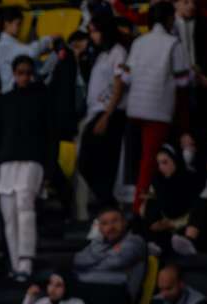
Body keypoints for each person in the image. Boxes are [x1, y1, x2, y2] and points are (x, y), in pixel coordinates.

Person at [117, 2, 190, 212]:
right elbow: (183, 83)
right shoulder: (173, 43)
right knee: (149, 163)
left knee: (136, 162)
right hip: (158, 111)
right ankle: (139, 210)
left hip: (134, 110)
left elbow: (126, 77)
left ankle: (136, 207)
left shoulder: (139, 42)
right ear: (169, 19)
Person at [0, 54, 54, 280]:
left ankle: (26, 262)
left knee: (25, 207)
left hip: (33, 160)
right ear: (14, 74)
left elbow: (50, 136)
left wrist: (49, 169)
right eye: (20, 73)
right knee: (9, 213)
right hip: (6, 163)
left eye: (28, 73)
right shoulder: (4, 101)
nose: (24, 77)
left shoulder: (42, 99)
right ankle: (15, 264)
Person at [79, 14, 128, 208]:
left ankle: (108, 204)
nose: (93, 36)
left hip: (110, 113)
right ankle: (107, 204)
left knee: (97, 163)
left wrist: (107, 115)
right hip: (96, 112)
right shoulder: (102, 55)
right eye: (91, 32)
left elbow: (119, 85)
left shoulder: (118, 52)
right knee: (89, 163)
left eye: (95, 31)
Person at [73, 206, 147, 304]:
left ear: (124, 222)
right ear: (99, 228)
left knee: (101, 294)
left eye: (115, 221)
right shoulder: (99, 243)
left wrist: (91, 265)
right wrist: (106, 251)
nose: (110, 227)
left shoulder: (135, 241)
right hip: (93, 287)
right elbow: (78, 260)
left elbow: (117, 261)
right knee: (60, 278)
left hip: (119, 291)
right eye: (105, 223)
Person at [140, 144, 204, 253]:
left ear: (175, 160)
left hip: (183, 225)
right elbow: (150, 200)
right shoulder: (158, 179)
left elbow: (195, 211)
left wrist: (173, 224)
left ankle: (185, 244)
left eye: (165, 162)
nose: (161, 167)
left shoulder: (190, 179)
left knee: (201, 205)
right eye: (159, 163)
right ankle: (153, 244)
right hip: (163, 223)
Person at [0, 7, 54, 93]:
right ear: (6, 24)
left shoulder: (13, 44)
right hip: (12, 94)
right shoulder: (3, 45)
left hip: (20, 91)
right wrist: (50, 38)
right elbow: (31, 52)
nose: (19, 28)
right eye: (17, 24)